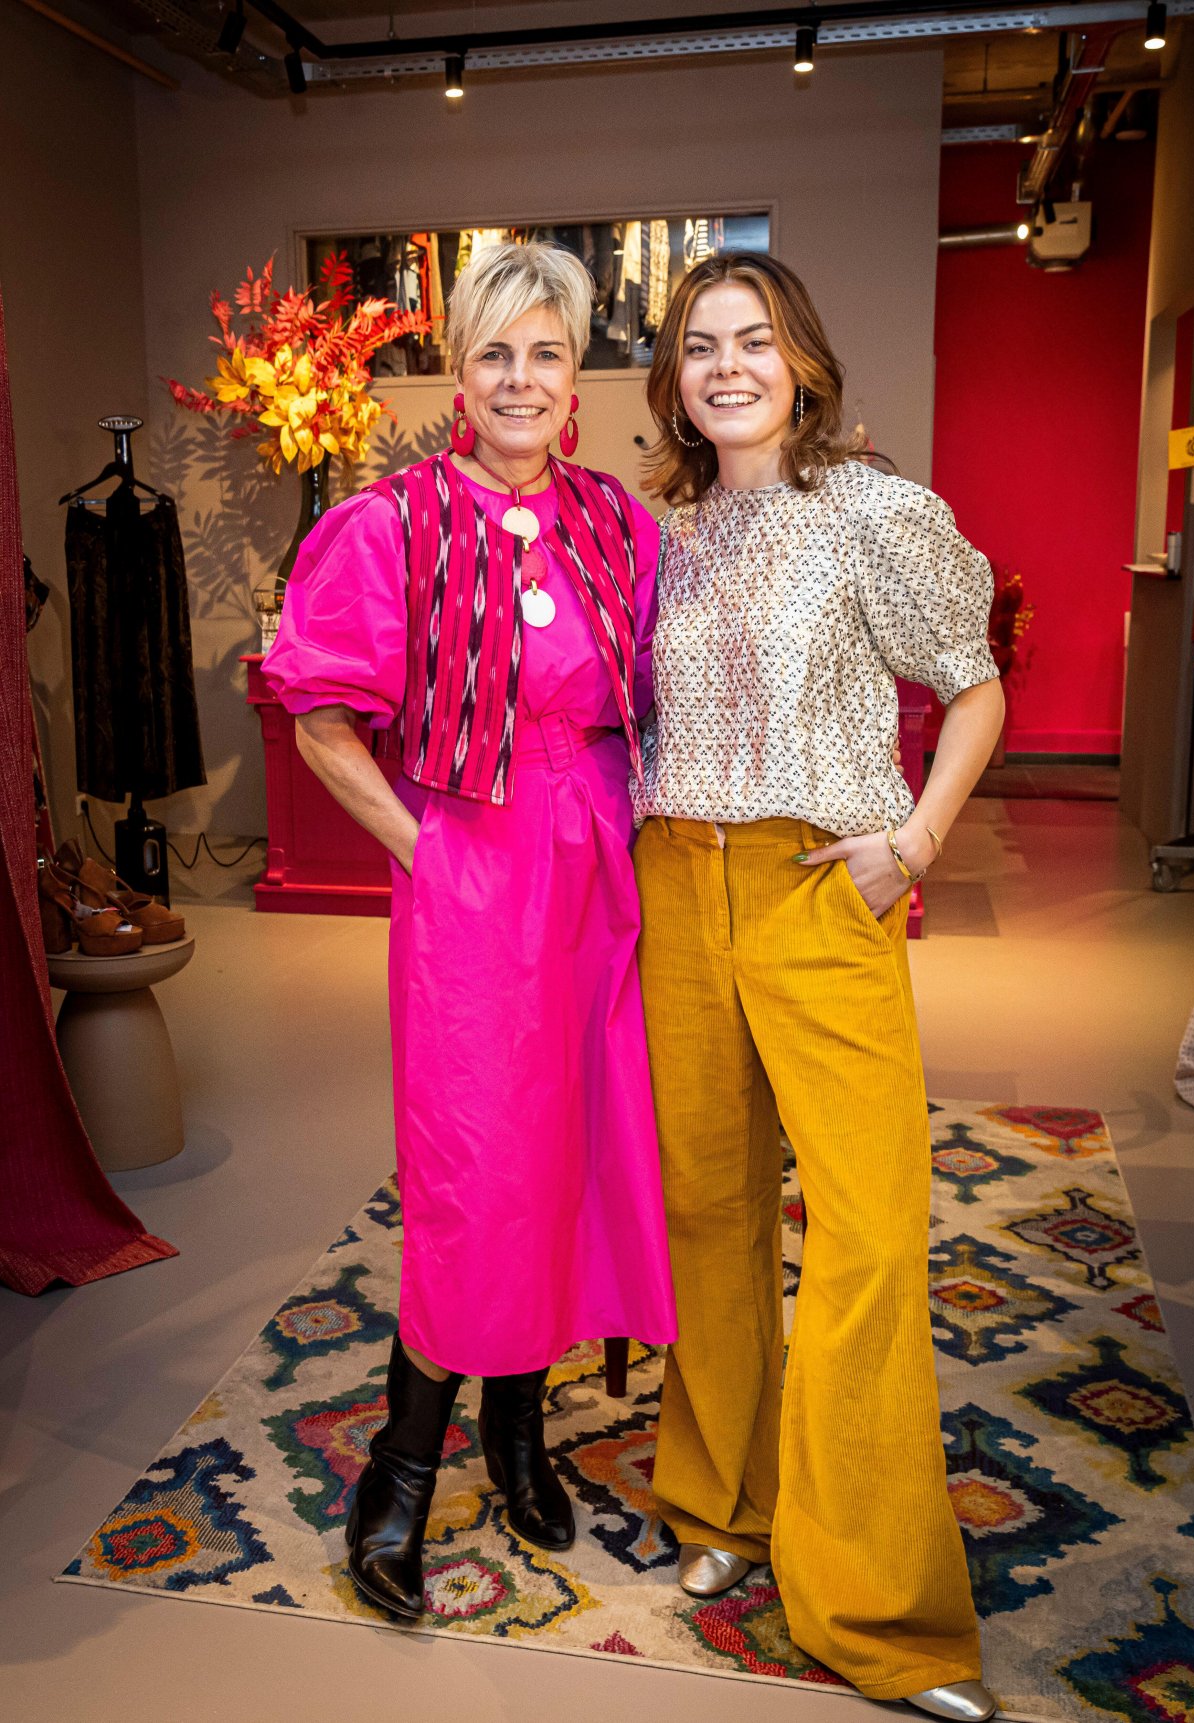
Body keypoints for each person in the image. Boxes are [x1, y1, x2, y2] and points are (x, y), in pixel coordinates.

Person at [262, 241, 675, 1620]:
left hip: (601, 872)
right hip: (474, 882)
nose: (519, 379)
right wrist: (426, 854)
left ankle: (519, 1433)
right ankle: (402, 1467)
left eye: (545, 355)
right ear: (460, 375)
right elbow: (320, 720)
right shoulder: (391, 524)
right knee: (474, 1171)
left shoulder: (619, 523)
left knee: (569, 1153)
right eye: (494, 352)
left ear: (576, 382)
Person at [633, 252, 1004, 1721]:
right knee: (710, 1212)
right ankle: (724, 1504)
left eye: (754, 340)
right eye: (700, 345)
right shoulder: (657, 535)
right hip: (678, 888)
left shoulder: (870, 511)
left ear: (800, 358)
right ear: (673, 377)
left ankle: (877, 1608)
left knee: (866, 1231)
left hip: (815, 885)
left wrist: (915, 843)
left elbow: (973, 683)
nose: (727, 366)